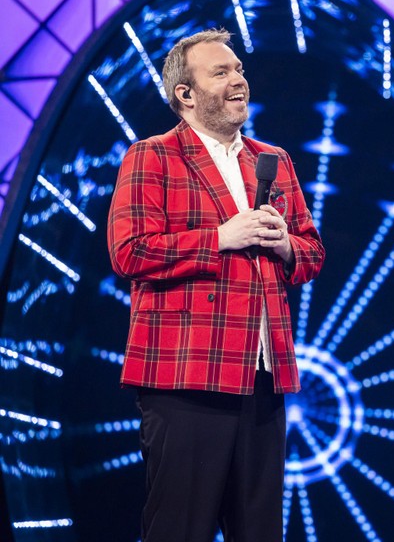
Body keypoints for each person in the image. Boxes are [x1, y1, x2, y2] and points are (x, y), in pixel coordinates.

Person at [107, 28, 325, 542]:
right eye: (221, 72)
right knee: (180, 529)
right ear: (185, 93)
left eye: (240, 70)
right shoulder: (152, 156)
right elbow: (129, 250)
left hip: (263, 377)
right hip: (187, 377)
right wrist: (219, 238)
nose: (238, 81)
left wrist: (285, 246)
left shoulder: (271, 159)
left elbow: (312, 251)